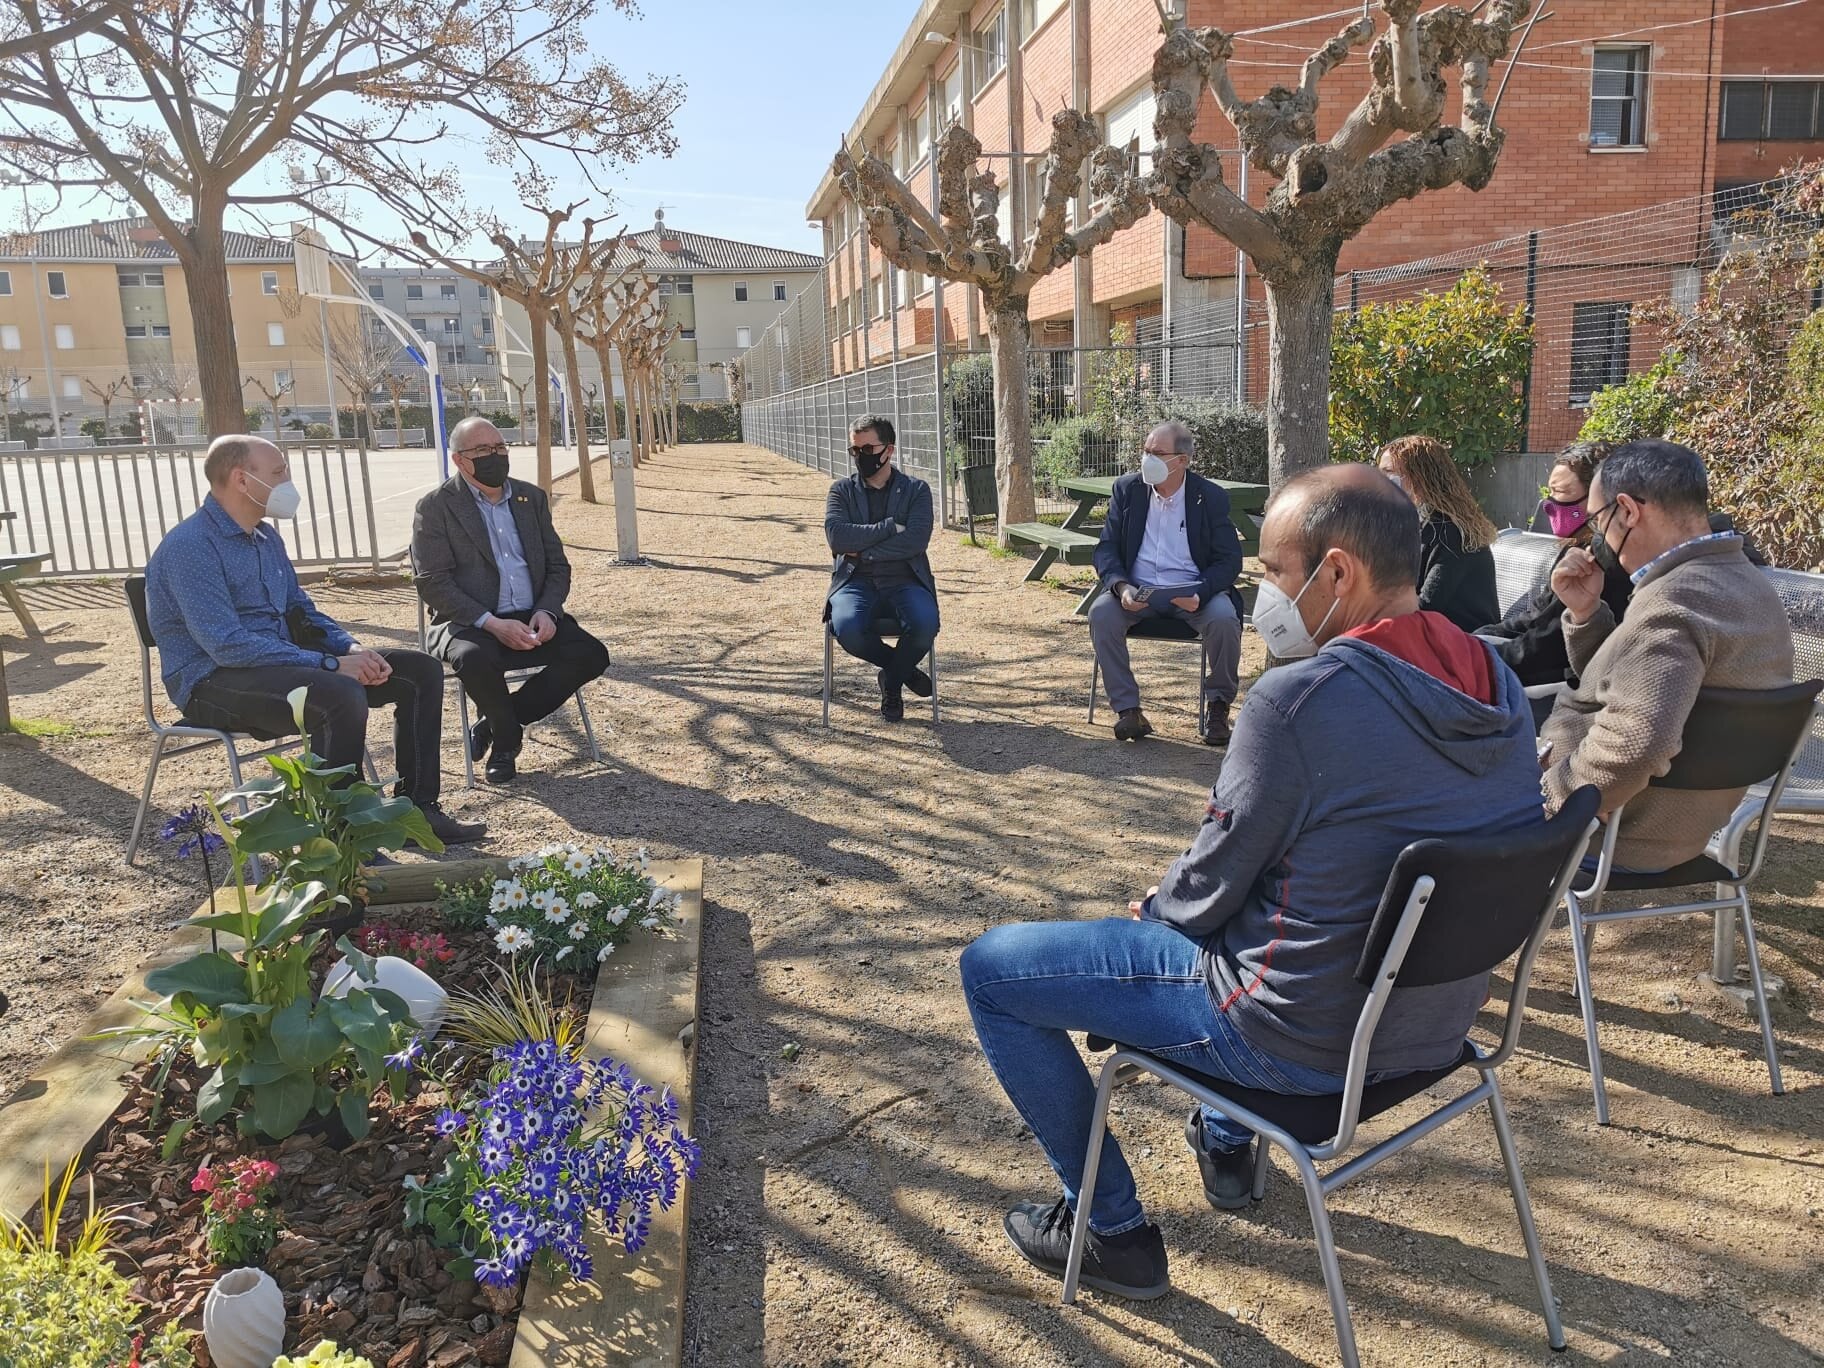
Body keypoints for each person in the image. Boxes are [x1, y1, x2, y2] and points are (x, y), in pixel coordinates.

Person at [960, 465, 1543, 1301]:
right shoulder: (1498, 686)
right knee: (1288, 907)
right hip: (1431, 1026)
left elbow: (1205, 892)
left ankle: (1111, 1231)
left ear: (1337, 573)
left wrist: (1157, 908)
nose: (1266, 594)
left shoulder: (1300, 701)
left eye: (1274, 572)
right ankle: (1227, 1144)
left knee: (994, 971)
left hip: (1294, 1041)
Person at [145, 434, 485, 844]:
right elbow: (226, 644)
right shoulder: (190, 547)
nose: (287, 480)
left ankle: (416, 811)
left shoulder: (266, 538)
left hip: (280, 666)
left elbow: (301, 611)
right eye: (278, 472)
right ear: (240, 480)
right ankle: (343, 837)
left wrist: (350, 648)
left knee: (420, 672)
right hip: (212, 681)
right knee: (339, 693)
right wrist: (329, 665)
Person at [1540, 439, 1793, 873]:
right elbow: (1633, 685)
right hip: (1672, 828)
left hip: (1611, 834)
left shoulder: (1675, 602)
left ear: (1628, 511)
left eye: (1598, 520)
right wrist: (1586, 614)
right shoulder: (1741, 583)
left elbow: (1638, 742)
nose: (1596, 536)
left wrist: (1549, 797)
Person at [412, 416, 610, 784]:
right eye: (483, 450)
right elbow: (432, 582)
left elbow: (557, 566)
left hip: (532, 616)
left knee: (591, 653)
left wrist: (547, 611)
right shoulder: (436, 507)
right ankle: (506, 744)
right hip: (470, 622)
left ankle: (497, 722)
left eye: (500, 447)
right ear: (459, 460)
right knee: (473, 659)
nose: (495, 456)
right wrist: (491, 623)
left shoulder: (529, 498)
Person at [1087, 421, 1244, 745]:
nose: (1148, 460)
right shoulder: (1127, 489)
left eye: (1157, 453)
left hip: (1193, 592)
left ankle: (1218, 708)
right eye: (1146, 452)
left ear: (1182, 460)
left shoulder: (1209, 497)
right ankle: (1128, 711)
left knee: (1225, 619)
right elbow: (1106, 549)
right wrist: (1121, 587)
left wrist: (1200, 593)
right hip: (1136, 592)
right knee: (1101, 615)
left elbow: (1229, 560)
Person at [1481, 442, 1630, 688]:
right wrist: (1475, 639)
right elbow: (1535, 617)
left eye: (1561, 492)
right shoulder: (1576, 551)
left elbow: (1548, 645)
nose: (1549, 504)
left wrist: (1476, 663)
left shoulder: (1606, 560)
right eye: (1549, 491)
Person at [824, 415, 938, 722]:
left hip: (905, 579)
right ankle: (901, 671)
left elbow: (915, 542)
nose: (861, 456)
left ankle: (891, 682)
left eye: (868, 449)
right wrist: (889, 527)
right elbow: (837, 536)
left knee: (925, 624)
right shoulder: (841, 491)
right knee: (847, 629)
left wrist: (861, 548)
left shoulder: (917, 490)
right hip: (855, 580)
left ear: (889, 450)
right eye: (855, 450)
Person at [1376, 435, 1499, 632]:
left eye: (1389, 473)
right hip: (1430, 634)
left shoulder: (1450, 530)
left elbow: (1427, 605)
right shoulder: (1410, 522)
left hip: (1466, 640)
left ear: (1420, 477)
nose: (1380, 482)